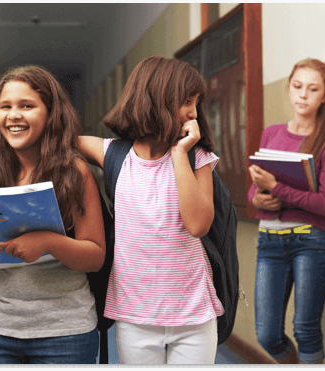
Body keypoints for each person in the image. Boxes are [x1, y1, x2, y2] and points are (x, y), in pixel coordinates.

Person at [77, 56, 222, 364]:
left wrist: (180, 153)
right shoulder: (114, 154)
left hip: (193, 316)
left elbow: (198, 225)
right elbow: (52, 143)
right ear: (156, 97)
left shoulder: (199, 158)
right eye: (186, 101)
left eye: (196, 103)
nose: (193, 112)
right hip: (135, 315)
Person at [0, 65, 105, 364]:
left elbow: (95, 255)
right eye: (6, 107)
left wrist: (48, 242)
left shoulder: (74, 171)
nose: (14, 115)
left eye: (27, 106)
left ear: (50, 114)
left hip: (66, 333)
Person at [248, 58, 325, 364]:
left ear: (324, 95)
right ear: (289, 88)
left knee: (305, 330)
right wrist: (258, 199)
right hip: (269, 242)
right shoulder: (271, 133)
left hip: (312, 243)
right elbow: (255, 189)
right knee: (267, 334)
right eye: (297, 86)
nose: (303, 95)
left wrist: (276, 188)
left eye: (312, 89)